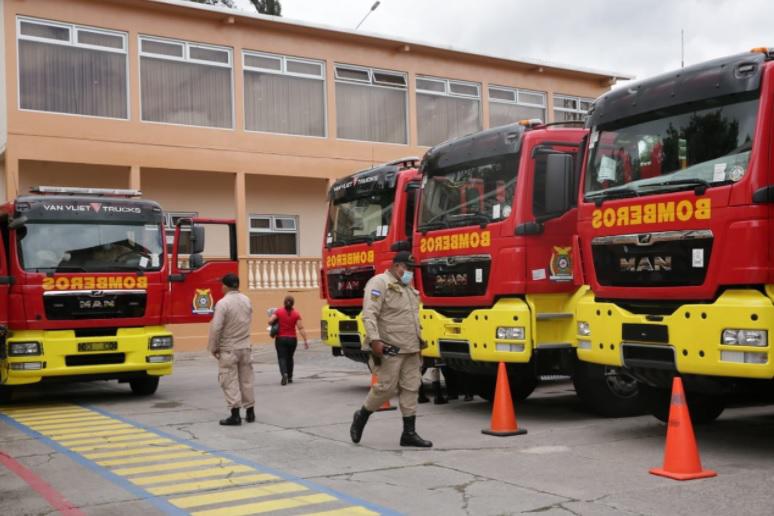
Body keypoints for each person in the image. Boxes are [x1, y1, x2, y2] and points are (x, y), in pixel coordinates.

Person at [349, 251, 432, 448]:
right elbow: (369, 314)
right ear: (397, 266)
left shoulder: (408, 288)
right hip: (390, 347)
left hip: (411, 347)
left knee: (412, 388)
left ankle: (408, 434)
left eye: (412, 269)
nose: (411, 273)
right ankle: (362, 415)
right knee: (386, 389)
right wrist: (375, 340)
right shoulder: (379, 283)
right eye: (408, 268)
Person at [207, 273, 255, 426]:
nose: (221, 287)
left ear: (226, 286)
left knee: (229, 380)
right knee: (246, 380)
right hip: (245, 346)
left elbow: (216, 327)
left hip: (229, 348)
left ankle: (235, 414)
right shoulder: (247, 300)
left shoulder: (223, 303)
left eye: (222, 285)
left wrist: (213, 347)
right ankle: (250, 412)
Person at [268, 295, 308, 385]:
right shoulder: (296, 314)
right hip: (292, 339)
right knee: (290, 358)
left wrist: (275, 321)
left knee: (282, 357)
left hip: (281, 339)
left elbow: (270, 321)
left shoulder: (279, 312)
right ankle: (290, 377)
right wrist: (305, 341)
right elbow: (301, 328)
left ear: (284, 302)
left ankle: (284, 374)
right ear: (293, 303)